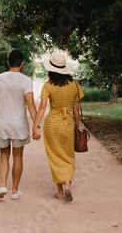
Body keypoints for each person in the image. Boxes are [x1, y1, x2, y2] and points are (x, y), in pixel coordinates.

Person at [32, 53, 84, 202]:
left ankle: (60, 192)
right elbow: (75, 109)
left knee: (55, 156)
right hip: (68, 123)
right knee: (68, 156)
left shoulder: (48, 85)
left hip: (53, 124)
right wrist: (77, 125)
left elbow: (42, 108)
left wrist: (35, 127)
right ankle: (67, 185)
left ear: (51, 70)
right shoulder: (74, 85)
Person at [0, 49, 37, 200]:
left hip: (2, 124)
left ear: (8, 63)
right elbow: (31, 104)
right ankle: (14, 191)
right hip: (19, 125)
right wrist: (35, 125)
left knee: (3, 154)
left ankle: (2, 185)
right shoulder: (26, 80)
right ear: (22, 64)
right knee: (18, 156)